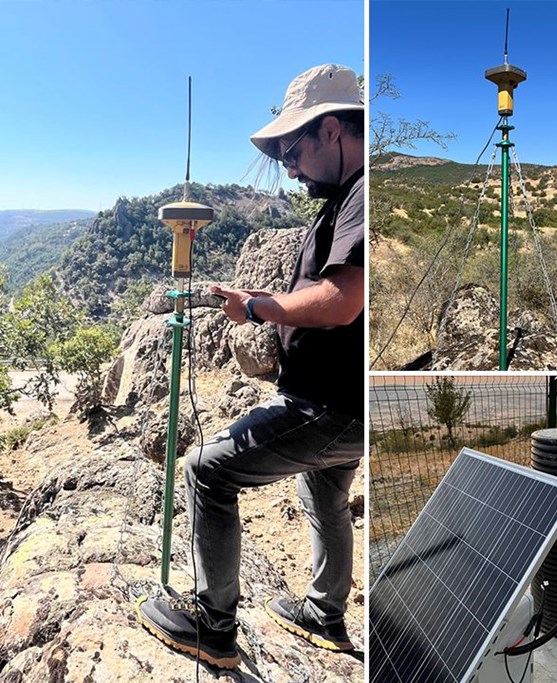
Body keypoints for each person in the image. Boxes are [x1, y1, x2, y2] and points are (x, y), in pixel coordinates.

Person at [137, 64, 365, 669]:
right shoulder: (344, 197)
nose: (288, 166)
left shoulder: (365, 196)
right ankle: (326, 615)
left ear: (334, 130)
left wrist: (258, 307)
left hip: (329, 407)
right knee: (325, 496)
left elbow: (343, 300)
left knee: (207, 471)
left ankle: (211, 630)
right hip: (340, 404)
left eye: (294, 149)